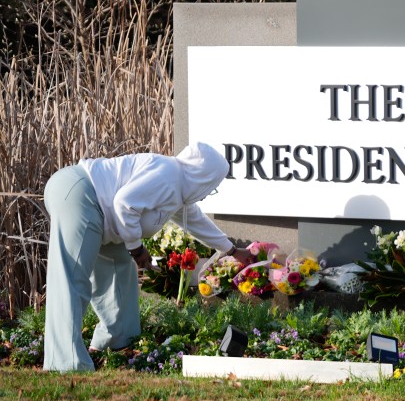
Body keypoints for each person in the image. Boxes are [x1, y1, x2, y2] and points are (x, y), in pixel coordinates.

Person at [42, 142, 255, 372]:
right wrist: (136, 249)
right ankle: (65, 363)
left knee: (119, 275)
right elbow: (124, 203)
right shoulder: (168, 174)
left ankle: (117, 343)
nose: (208, 191)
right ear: (203, 177)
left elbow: (197, 223)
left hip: (104, 216)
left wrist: (233, 251)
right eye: (212, 185)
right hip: (80, 194)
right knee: (72, 278)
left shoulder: (179, 188)